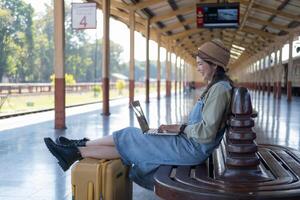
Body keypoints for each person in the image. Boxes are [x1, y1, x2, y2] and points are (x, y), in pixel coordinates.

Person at [44, 39, 234, 191]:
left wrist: (179, 128)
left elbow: (206, 132)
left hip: (191, 149)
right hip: (188, 144)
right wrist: (175, 129)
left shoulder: (219, 90)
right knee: (130, 146)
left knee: (129, 135)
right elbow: (204, 126)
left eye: (201, 64)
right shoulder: (217, 88)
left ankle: (78, 145)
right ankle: (75, 151)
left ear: (215, 65)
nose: (198, 68)